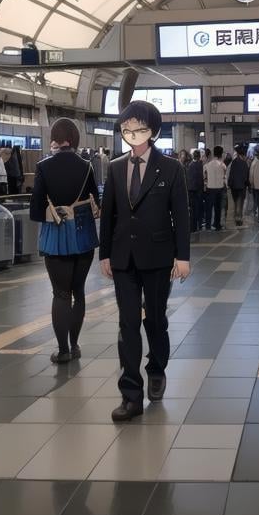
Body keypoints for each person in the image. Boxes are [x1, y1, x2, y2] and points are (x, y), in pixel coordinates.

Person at [99, 101, 191, 422]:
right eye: (126, 130)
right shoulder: (114, 167)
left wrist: (182, 257)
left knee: (154, 319)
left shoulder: (170, 168)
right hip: (124, 256)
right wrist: (105, 253)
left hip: (158, 257)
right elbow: (108, 214)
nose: (132, 135)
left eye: (139, 129)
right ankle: (130, 394)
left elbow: (180, 214)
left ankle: (156, 367)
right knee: (127, 324)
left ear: (152, 131)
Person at [30, 118, 100, 364]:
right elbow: (96, 203)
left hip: (56, 237)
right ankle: (75, 344)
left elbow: (35, 210)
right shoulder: (87, 167)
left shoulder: (43, 167)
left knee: (60, 293)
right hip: (83, 235)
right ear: (74, 139)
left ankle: (62, 351)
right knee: (78, 292)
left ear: (55, 139)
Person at [204, 145, 227, 231]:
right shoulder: (223, 165)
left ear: (214, 153)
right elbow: (225, 177)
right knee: (218, 208)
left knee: (208, 208)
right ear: (221, 154)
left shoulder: (207, 165)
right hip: (219, 189)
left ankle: (208, 226)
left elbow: (204, 177)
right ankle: (217, 225)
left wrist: (206, 184)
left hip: (210, 189)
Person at [228, 145, 250, 228]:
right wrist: (248, 185)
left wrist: (230, 184)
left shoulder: (234, 162)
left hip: (234, 186)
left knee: (235, 202)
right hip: (241, 186)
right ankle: (239, 219)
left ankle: (236, 218)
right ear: (243, 155)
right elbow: (246, 176)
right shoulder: (244, 164)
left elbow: (231, 174)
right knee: (239, 204)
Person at [187, 149, 204, 232]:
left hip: (191, 190)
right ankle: (199, 225)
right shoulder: (200, 165)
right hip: (198, 190)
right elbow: (201, 178)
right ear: (199, 156)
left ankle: (193, 227)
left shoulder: (190, 165)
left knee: (192, 209)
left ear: (193, 156)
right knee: (199, 208)